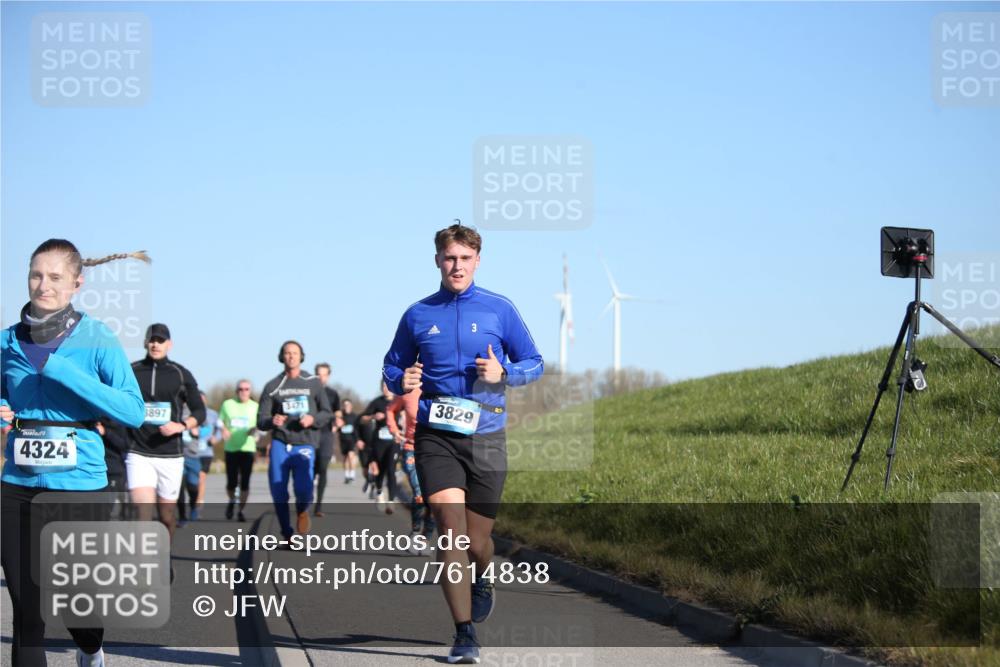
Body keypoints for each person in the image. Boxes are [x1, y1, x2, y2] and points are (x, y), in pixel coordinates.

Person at [382, 223, 543, 663]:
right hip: (437, 436)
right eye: (449, 258)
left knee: (477, 542)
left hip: (487, 435)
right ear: (437, 260)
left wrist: (505, 374)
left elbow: (535, 361)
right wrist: (402, 379)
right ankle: (464, 632)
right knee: (450, 532)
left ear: (477, 260)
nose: (457, 266)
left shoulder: (499, 309)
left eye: (465, 258)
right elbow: (392, 365)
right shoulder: (417, 314)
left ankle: (483, 576)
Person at [1, 239, 147, 667]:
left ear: (76, 284)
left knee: (75, 606)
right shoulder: (7, 341)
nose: (42, 285)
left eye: (54, 277)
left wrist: (62, 370)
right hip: (17, 486)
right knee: (28, 612)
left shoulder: (96, 337)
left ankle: (90, 649)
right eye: (35, 275)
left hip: (78, 485)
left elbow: (132, 410)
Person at [126, 323, 206, 543]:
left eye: (160, 340)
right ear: (145, 343)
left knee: (166, 517)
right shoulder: (131, 371)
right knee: (142, 513)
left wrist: (180, 426)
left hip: (170, 454)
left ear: (169, 344)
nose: (155, 344)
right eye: (151, 340)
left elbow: (200, 411)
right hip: (138, 451)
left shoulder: (180, 373)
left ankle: (164, 555)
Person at [258, 341, 332, 541]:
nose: (291, 356)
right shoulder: (272, 386)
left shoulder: (313, 382)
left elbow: (327, 413)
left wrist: (312, 419)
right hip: (281, 442)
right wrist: (271, 420)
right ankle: (287, 533)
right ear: (282, 357)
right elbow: (261, 420)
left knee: (304, 489)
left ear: (301, 357)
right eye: (287, 353)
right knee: (278, 488)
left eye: (295, 353)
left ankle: (302, 510)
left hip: (304, 442)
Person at [386, 386, 436, 551]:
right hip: (412, 448)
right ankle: (415, 532)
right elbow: (390, 410)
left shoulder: (444, 388)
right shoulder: (408, 391)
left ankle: (426, 538)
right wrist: (394, 431)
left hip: (438, 451)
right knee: (420, 494)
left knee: (436, 500)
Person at [219, 380, 259, 522]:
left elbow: (259, 426)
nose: (243, 392)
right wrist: (223, 429)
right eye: (241, 389)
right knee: (231, 482)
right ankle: (231, 501)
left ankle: (241, 510)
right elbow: (220, 421)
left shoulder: (255, 407)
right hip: (231, 448)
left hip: (248, 448)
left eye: (247, 389)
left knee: (245, 482)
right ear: (236, 391)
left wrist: (254, 431)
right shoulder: (228, 404)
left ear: (250, 391)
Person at [360, 381, 399, 514]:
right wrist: (373, 416)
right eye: (383, 386)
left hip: (394, 442)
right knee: (380, 470)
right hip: (379, 442)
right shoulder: (376, 402)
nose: (386, 389)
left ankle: (391, 501)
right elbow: (362, 418)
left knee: (391, 470)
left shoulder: (398, 400)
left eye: (388, 386)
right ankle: (379, 492)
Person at [312, 362, 340, 517]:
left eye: (324, 375)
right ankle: (305, 500)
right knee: (310, 469)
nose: (321, 378)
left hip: (326, 435)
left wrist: (338, 422)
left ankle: (318, 506)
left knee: (322, 469)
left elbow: (338, 412)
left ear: (328, 376)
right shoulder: (308, 392)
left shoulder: (333, 394)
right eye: (318, 374)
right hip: (310, 435)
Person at [338, 398, 360, 483]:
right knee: (345, 458)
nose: (346, 406)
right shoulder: (341, 416)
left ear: (351, 406)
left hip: (352, 439)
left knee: (351, 456)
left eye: (348, 405)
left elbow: (357, 428)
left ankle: (352, 474)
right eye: (345, 405)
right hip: (343, 439)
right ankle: (347, 475)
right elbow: (336, 427)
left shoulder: (354, 416)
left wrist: (358, 439)